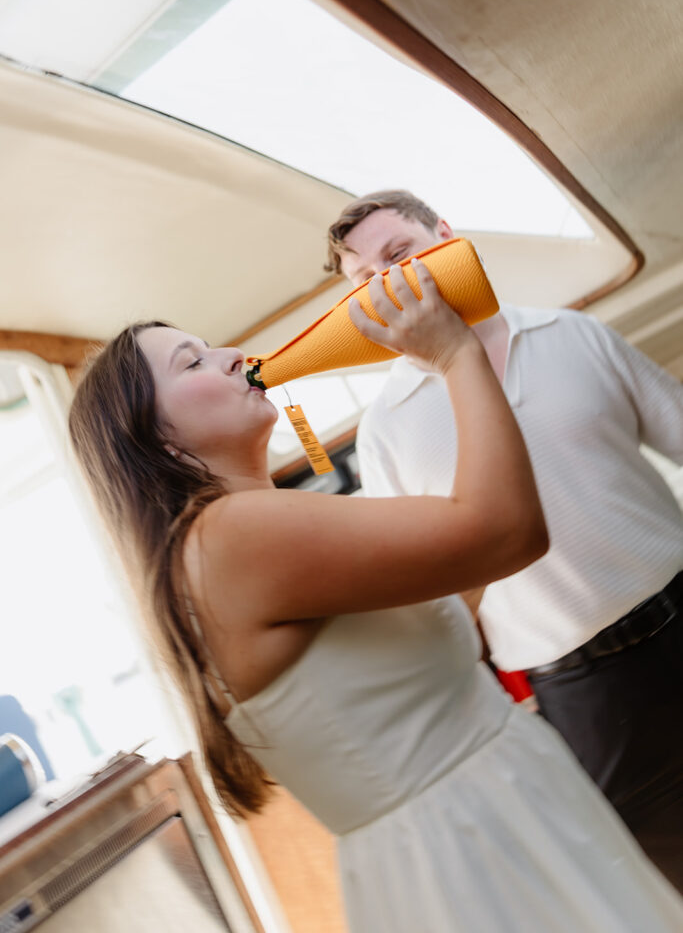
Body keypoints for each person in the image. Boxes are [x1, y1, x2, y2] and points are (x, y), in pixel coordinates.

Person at [68, 264, 683, 931]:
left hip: (502, 816)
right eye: (193, 362)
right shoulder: (228, 535)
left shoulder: (248, 532)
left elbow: (460, 583)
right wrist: (453, 355)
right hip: (469, 847)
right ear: (156, 439)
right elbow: (506, 534)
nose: (233, 358)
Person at [326, 188, 683, 889]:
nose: (388, 282)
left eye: (398, 254)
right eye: (365, 280)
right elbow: (433, 596)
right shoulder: (387, 427)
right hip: (584, 696)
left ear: (447, 236)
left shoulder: (571, 334)